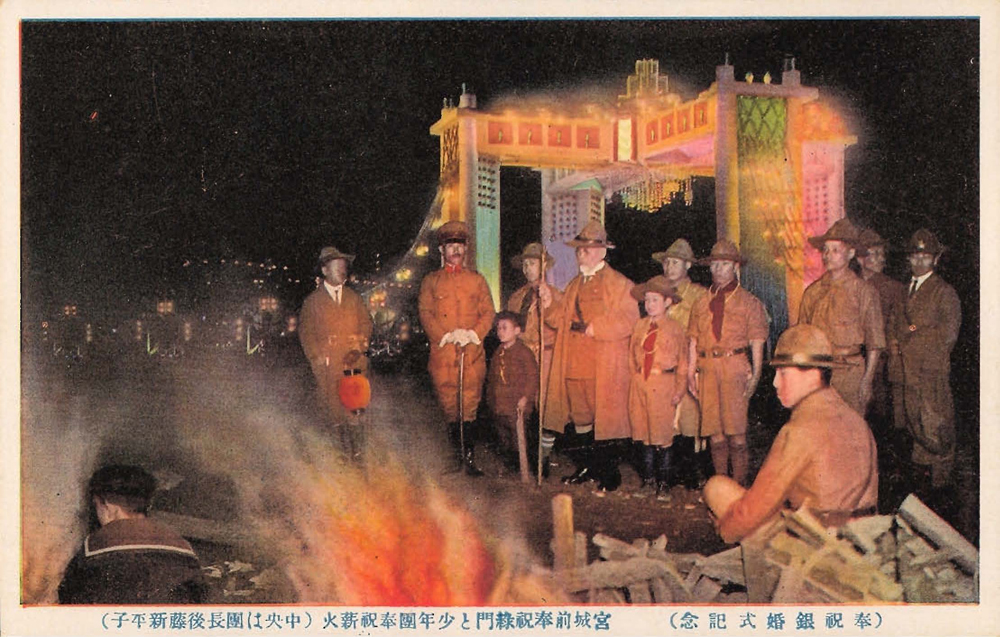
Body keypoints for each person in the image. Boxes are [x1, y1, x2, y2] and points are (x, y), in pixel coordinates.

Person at [703, 325, 879, 543]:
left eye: (783, 373)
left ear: (812, 373)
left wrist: (724, 530)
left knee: (716, 488)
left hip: (820, 542)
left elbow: (754, 509)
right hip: (864, 536)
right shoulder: (855, 419)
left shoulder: (799, 430)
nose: (775, 383)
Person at [539, 220, 639, 492]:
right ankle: (586, 467)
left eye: (587, 249)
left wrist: (599, 327)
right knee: (580, 418)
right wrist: (548, 306)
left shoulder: (619, 283)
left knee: (604, 419)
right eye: (579, 249)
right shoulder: (573, 285)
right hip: (574, 361)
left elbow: (630, 318)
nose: (581, 253)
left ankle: (608, 472)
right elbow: (560, 319)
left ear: (602, 252)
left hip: (602, 363)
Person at [58, 465, 207, 604]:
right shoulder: (183, 547)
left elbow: (70, 602)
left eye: (97, 506)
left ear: (108, 506)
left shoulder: (94, 546)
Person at [687, 239, 768, 487]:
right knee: (716, 435)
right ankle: (721, 486)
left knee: (737, 436)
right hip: (708, 368)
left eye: (724, 264)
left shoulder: (748, 302)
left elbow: (757, 340)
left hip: (735, 367)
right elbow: (693, 339)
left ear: (735, 267)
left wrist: (755, 375)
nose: (718, 270)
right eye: (714, 265)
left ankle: (739, 485)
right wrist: (691, 371)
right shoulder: (701, 302)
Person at [418, 220, 496, 476]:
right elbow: (426, 313)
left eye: (460, 246)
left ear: (466, 249)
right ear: (442, 250)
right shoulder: (431, 281)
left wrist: (473, 334)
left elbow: (488, 312)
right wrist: (445, 335)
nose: (456, 251)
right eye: (451, 246)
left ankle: (470, 460)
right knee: (450, 406)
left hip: (471, 353)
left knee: (470, 404)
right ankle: (455, 458)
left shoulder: (477, 280)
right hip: (444, 354)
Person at [888, 229, 961, 498]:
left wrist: (911, 340)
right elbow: (893, 326)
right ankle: (921, 492)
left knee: (934, 430)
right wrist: (895, 344)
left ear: (936, 260)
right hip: (904, 374)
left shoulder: (944, 292)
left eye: (925, 257)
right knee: (911, 430)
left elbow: (947, 336)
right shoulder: (904, 291)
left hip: (928, 374)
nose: (919, 262)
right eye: (915, 257)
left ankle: (942, 494)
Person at [796, 219, 885, 415]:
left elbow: (874, 343)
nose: (827, 256)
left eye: (835, 250)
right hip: (819, 374)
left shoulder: (863, 291)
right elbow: (802, 337)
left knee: (850, 436)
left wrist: (866, 382)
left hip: (850, 374)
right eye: (825, 250)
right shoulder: (813, 292)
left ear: (851, 253)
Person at [298, 246, 374, 459]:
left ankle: (358, 458)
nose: (343, 269)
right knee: (334, 412)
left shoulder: (354, 298)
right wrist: (317, 357)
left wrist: (360, 346)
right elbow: (306, 333)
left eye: (344, 265)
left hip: (354, 365)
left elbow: (366, 323)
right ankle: (339, 457)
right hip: (329, 369)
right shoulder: (312, 302)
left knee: (356, 412)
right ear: (324, 270)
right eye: (337, 265)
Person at [652, 238, 710, 489]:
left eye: (675, 262)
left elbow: (706, 331)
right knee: (666, 420)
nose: (669, 267)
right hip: (664, 367)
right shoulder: (658, 293)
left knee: (689, 420)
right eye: (667, 262)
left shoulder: (698, 295)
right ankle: (670, 472)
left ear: (687, 265)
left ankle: (691, 473)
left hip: (689, 365)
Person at [627, 276, 687, 497]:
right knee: (644, 434)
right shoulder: (640, 326)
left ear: (668, 302)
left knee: (662, 435)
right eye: (647, 300)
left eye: (655, 300)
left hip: (664, 385)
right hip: (641, 383)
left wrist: (679, 389)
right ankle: (649, 480)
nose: (649, 305)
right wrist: (635, 378)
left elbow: (683, 363)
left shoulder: (675, 329)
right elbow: (631, 355)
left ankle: (664, 484)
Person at [507, 242, 562, 470]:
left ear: (544, 266)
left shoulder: (555, 295)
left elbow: (559, 323)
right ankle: (524, 455)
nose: (528, 268)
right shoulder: (516, 297)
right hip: (522, 356)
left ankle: (544, 458)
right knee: (522, 405)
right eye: (525, 264)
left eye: (533, 263)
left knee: (546, 408)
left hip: (545, 357)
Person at [856, 228, 906, 428]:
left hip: (883, 360)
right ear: (860, 259)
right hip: (857, 357)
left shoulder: (894, 288)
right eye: (875, 254)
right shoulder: (852, 285)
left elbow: (905, 324)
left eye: (882, 254)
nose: (881, 259)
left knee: (882, 412)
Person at [486, 311, 540, 471]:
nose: (500, 332)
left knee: (519, 437)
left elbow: (532, 377)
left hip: (517, 405)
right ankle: (511, 465)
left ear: (517, 331)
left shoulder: (523, 352)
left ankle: (525, 465)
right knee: (503, 437)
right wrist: (491, 400)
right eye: (498, 328)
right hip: (500, 404)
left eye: (505, 328)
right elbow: (492, 377)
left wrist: (525, 397)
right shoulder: (498, 352)